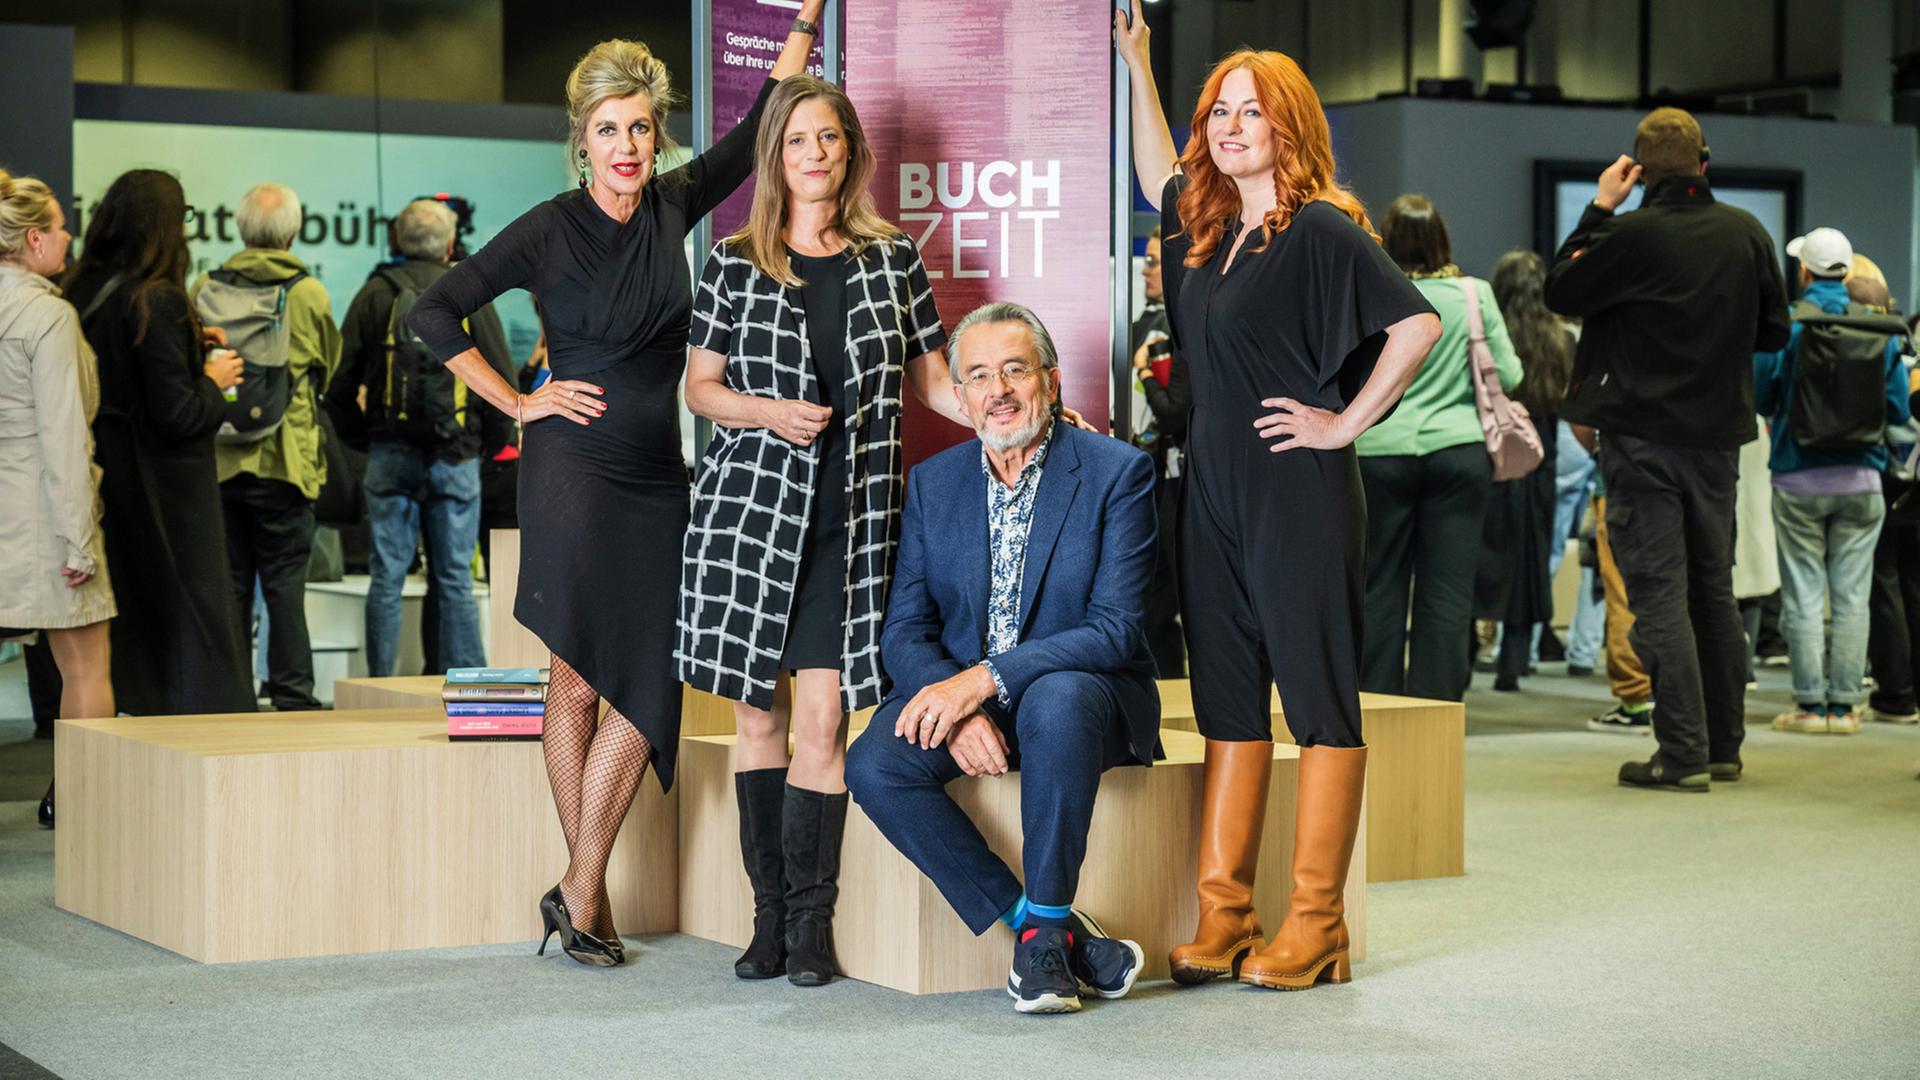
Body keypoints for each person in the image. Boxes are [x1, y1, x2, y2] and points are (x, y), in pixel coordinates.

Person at [408, 11, 826, 968]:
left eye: (641, 127)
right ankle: (584, 891)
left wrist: (804, 20)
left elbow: (761, 124)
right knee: (580, 674)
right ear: (581, 140)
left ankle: (575, 888)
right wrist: (517, 399)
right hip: (572, 471)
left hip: (655, 477)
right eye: (609, 130)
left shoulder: (677, 203)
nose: (628, 147)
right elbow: (432, 311)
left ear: (655, 132)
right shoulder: (548, 230)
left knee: (645, 682)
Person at [1116, 3, 1441, 990]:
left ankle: (1316, 923)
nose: (1230, 126)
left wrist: (1345, 424)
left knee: (1317, 699)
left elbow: (1416, 327)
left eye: (1250, 112)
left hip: (1297, 491)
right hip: (1209, 486)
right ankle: (1225, 919)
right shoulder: (1207, 234)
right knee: (1226, 702)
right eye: (1220, 110)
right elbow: (1152, 173)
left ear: (1288, 126)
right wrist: (1138, 57)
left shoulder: (1324, 232)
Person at [678, 75, 965, 987]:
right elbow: (700, 387)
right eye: (798, 139)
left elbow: (934, 385)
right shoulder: (731, 259)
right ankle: (764, 921)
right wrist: (766, 412)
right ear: (777, 156)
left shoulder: (893, 260)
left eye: (829, 137)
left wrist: (1015, 412)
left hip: (855, 519)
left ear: (850, 151)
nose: (815, 153)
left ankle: (810, 927)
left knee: (822, 724)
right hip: (750, 520)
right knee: (756, 721)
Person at [844, 302, 1160, 1015]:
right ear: (959, 397)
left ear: (1050, 379)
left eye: (1016, 369)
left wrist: (983, 681)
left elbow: (1116, 630)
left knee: (1059, 695)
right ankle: (1043, 931)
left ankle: (1046, 934)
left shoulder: (1117, 474)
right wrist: (956, 710)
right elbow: (904, 629)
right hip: (975, 703)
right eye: (980, 376)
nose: (1000, 390)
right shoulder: (935, 482)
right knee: (874, 763)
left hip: (1086, 703)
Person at [1544, 108, 1790, 791]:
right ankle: (1722, 747)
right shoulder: (1746, 233)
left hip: (1642, 438)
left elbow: (1559, 288)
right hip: (1717, 441)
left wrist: (1600, 205)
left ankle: (1681, 752)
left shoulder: (1628, 234)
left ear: (1639, 171)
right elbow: (1773, 333)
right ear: (1705, 162)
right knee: (1712, 591)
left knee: (1658, 595)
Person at [65, 169, 256, 717]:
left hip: (109, 483)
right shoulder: (158, 301)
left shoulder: (81, 292)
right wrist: (214, 380)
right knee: (194, 636)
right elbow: (178, 414)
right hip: (170, 496)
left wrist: (189, 348)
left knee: (128, 636)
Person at [328, 197, 516, 678]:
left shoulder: (375, 293)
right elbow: (499, 375)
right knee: (454, 578)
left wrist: (365, 440)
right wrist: (488, 446)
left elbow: (341, 385)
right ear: (450, 243)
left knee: (386, 576)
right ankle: (466, 689)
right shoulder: (468, 293)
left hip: (391, 452)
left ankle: (380, 686)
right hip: (456, 455)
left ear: (397, 241)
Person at [1353, 195, 1521, 702]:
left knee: (1378, 588)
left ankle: (1377, 710)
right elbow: (1510, 374)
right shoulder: (1473, 295)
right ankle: (1435, 717)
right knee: (1447, 595)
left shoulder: (1373, 292)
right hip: (1458, 453)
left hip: (1378, 452)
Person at [1753, 227, 1911, 734]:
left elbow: (1761, 395)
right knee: (1852, 596)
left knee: (1802, 595)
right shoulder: (1877, 328)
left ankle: (1808, 707)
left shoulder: (1789, 326)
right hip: (1863, 480)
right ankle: (1844, 708)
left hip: (1797, 477)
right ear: (1846, 272)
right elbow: (1898, 409)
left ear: (1804, 272)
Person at [191, 183, 340, 711]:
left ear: (239, 229)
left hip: (219, 464)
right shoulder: (307, 293)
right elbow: (329, 364)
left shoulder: (203, 287)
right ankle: (294, 697)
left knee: (229, 589)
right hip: (285, 462)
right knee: (285, 589)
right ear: (294, 233)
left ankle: (228, 699)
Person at [0, 170, 117, 831]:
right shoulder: (47, 314)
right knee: (86, 664)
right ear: (34, 238)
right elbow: (64, 434)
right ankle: (82, 803)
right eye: (62, 223)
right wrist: (78, 539)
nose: (72, 234)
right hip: (42, 513)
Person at [1480, 249, 1571, 692]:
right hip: (1541, 451)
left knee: (1479, 552)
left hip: (1493, 446)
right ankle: (1512, 665)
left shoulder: (1488, 333)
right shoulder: (1559, 339)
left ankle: (1461, 657)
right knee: (1529, 556)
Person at [1856, 273, 1920, 726]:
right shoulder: (1902, 342)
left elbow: (1898, 409)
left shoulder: (1887, 347)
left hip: (1887, 475)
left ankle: (1896, 691)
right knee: (1911, 584)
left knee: (1883, 583)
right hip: (1912, 480)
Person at [1126, 226, 1188, 679]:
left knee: (1163, 597)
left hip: (1175, 475)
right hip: (1147, 470)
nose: (1146, 270)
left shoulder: (1180, 331)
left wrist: (1146, 373)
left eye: (1153, 261)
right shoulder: (1141, 325)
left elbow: (1173, 412)